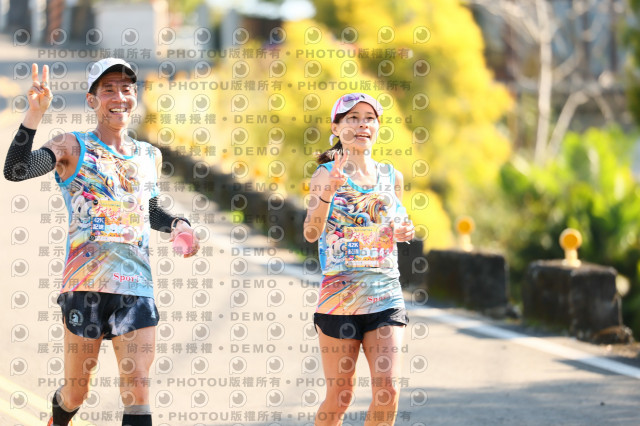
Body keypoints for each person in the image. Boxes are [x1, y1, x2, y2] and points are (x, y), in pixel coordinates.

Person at [4, 58, 200, 426]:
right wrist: (34, 114)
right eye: (108, 89)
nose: (119, 97)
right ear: (92, 100)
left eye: (126, 89)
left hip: (136, 285)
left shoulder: (149, 156)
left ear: (135, 96)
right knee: (76, 392)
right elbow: (16, 171)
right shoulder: (70, 146)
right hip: (85, 285)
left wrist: (177, 223)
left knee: (138, 388)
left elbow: (148, 210)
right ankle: (59, 417)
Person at [304, 93, 415, 426]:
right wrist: (329, 191)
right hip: (339, 299)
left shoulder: (391, 176)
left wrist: (404, 229)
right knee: (340, 396)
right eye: (352, 118)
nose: (362, 124)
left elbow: (397, 222)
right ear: (336, 128)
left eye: (369, 118)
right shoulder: (324, 174)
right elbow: (310, 232)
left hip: (385, 294)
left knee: (388, 391)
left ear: (377, 127)